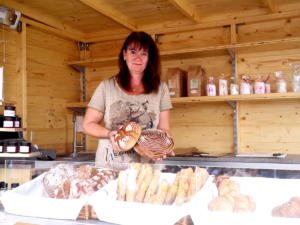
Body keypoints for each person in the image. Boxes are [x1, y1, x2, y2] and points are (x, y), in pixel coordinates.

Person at [82, 31, 175, 166]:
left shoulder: (161, 88)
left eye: (143, 53)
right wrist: (109, 134)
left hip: (147, 167)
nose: (138, 57)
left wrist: (161, 146)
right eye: (133, 52)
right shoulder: (106, 86)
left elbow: (164, 129)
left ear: (149, 58)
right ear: (124, 55)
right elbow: (87, 125)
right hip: (110, 165)